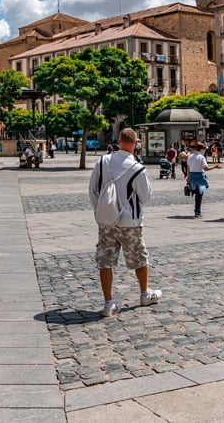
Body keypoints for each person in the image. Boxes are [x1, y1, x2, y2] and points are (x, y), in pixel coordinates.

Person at [87, 128, 161, 317]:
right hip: (130, 222)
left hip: (106, 222)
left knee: (105, 260)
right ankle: (145, 294)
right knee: (139, 257)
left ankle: (108, 303)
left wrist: (100, 211)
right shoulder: (137, 168)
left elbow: (93, 189)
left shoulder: (103, 162)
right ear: (136, 143)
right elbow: (145, 197)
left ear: (118, 141)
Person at [185, 142, 219, 218]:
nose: (204, 151)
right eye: (204, 149)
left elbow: (188, 168)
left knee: (196, 193)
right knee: (199, 194)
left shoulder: (190, 156)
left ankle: (197, 210)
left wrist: (188, 177)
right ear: (201, 149)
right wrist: (215, 167)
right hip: (200, 177)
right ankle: (197, 211)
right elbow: (205, 168)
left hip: (192, 176)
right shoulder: (201, 157)